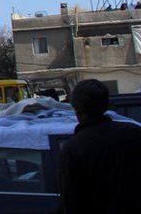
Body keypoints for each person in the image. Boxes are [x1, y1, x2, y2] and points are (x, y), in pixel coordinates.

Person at [59, 79, 141, 213]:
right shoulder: (135, 132)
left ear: (77, 110)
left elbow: (71, 201)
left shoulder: (73, 148)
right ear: (107, 104)